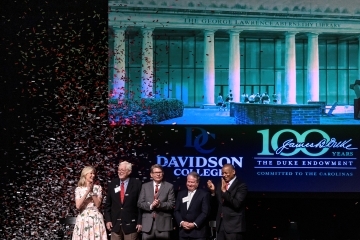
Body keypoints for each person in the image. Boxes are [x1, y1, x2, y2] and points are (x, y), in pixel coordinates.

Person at [207, 164, 248, 240]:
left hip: (234, 227)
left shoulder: (241, 186)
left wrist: (225, 192)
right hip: (221, 225)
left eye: (226, 173)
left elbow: (237, 203)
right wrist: (213, 192)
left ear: (233, 172)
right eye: (222, 173)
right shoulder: (220, 185)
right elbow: (217, 204)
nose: (224, 175)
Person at [104, 161, 142, 240]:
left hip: (131, 225)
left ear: (129, 171)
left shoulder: (137, 184)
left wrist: (139, 222)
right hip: (115, 225)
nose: (120, 172)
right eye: (119, 170)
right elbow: (108, 205)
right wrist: (108, 220)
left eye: (123, 170)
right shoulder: (113, 183)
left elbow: (140, 205)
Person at [137, 164, 175, 240]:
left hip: (163, 224)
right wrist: (151, 206)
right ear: (151, 174)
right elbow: (140, 203)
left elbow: (171, 204)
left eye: (160, 172)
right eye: (156, 172)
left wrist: (159, 205)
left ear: (163, 173)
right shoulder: (145, 186)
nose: (158, 174)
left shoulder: (169, 186)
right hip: (147, 224)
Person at [72, 166, 107, 240]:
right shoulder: (78, 189)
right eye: (91, 173)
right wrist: (87, 192)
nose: (93, 175)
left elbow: (98, 204)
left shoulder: (98, 188)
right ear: (85, 174)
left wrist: (91, 192)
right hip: (83, 219)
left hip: (96, 219)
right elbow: (78, 206)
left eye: (94, 173)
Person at [174, 172, 210, 240]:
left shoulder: (204, 194)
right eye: (188, 181)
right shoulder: (181, 194)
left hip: (198, 233)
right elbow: (176, 211)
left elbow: (205, 213)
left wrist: (194, 224)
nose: (189, 184)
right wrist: (182, 222)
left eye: (192, 182)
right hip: (183, 233)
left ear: (197, 183)